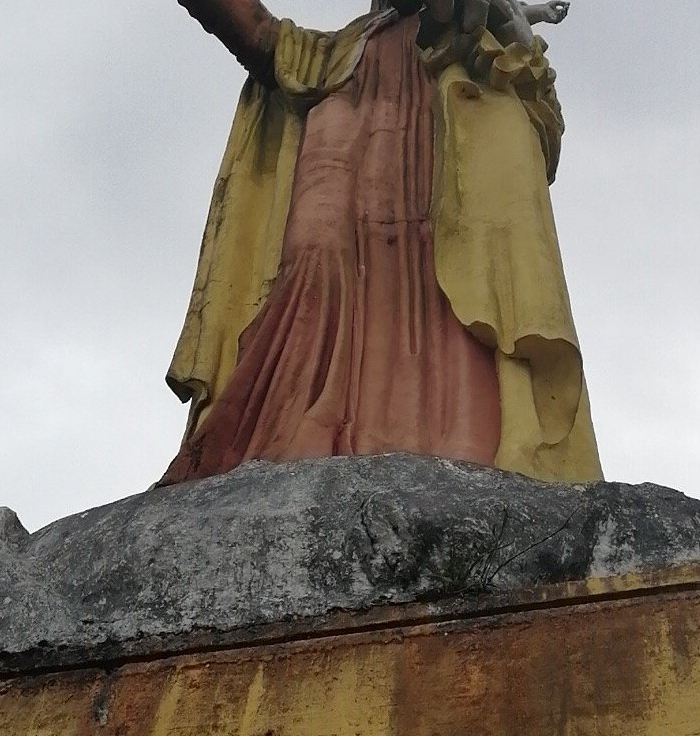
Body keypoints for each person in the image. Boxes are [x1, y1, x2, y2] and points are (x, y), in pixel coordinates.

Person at [158, 0, 603, 485]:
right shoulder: (338, 50)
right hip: (344, 140)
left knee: (455, 289)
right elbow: (263, 39)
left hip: (444, 146)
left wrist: (514, 22)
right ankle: (293, 435)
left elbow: (541, 119)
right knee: (314, 258)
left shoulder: (480, 40)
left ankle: (471, 445)